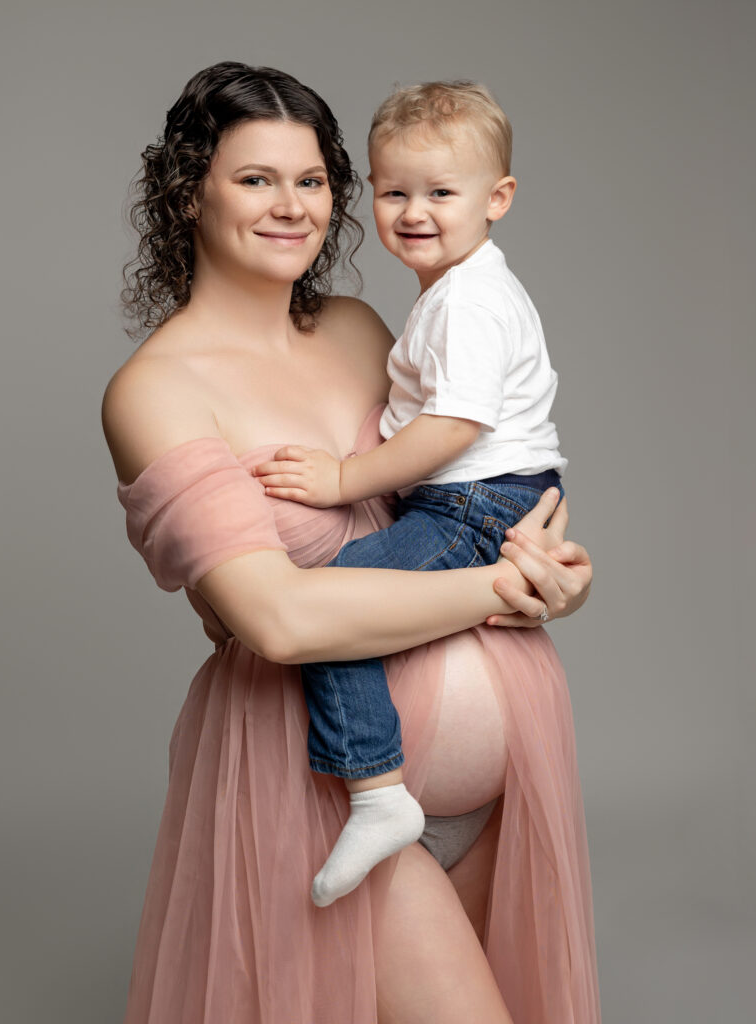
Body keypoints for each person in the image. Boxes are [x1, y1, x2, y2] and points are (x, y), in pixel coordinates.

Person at [104, 61, 600, 1024]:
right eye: (255, 179)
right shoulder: (156, 390)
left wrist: (556, 576)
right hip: (321, 790)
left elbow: (459, 497)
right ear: (188, 189)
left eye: (313, 180)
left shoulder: (361, 326)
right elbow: (280, 623)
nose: (292, 206)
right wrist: (506, 588)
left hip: (500, 769)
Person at [254, 80, 569, 910]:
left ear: (497, 198)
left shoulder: (465, 301)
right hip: (486, 499)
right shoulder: (454, 292)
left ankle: (375, 791)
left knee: (333, 604)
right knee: (334, 603)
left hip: (472, 501)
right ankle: (379, 789)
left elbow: (453, 427)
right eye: (393, 191)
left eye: (440, 192)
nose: (413, 211)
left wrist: (343, 480)